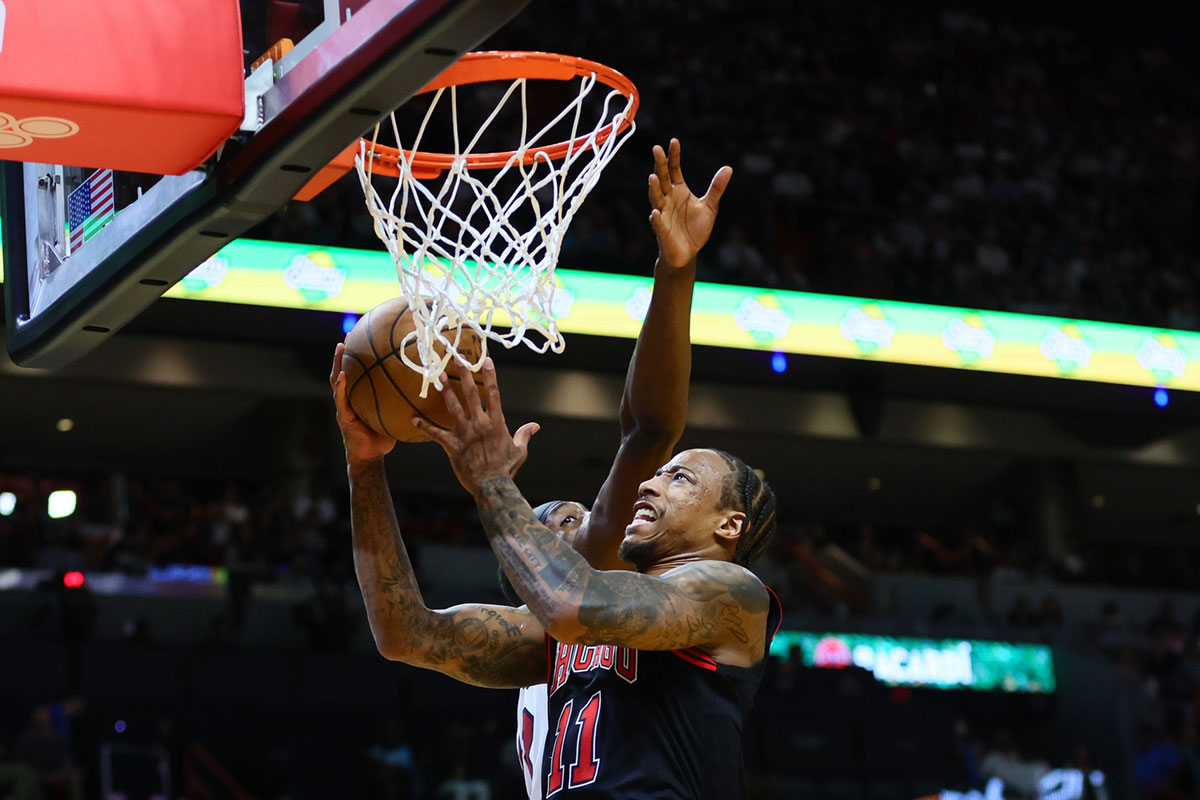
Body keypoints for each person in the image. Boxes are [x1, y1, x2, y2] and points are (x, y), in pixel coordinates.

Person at [334, 152, 780, 797]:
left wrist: (491, 481)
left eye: (681, 480)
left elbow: (580, 588)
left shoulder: (732, 597)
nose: (652, 483)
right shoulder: (567, 631)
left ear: (729, 525)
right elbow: (408, 633)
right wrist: (366, 464)